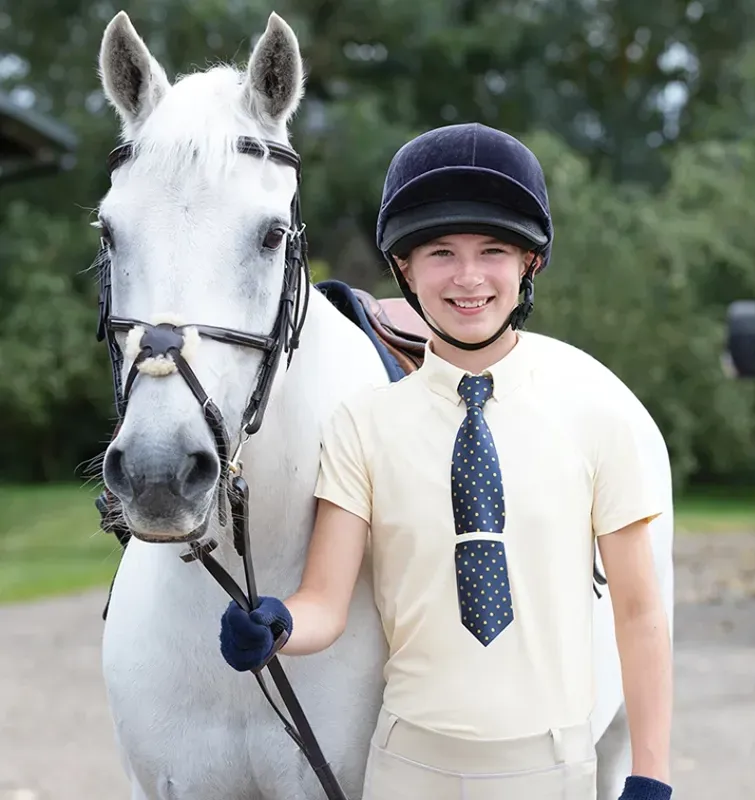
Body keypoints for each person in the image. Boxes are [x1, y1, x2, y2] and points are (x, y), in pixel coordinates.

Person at [218, 122, 673, 800]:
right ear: (404, 268)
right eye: (440, 252)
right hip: (408, 768)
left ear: (530, 263)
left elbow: (638, 611)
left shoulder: (596, 415)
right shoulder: (363, 426)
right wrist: (276, 624)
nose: (468, 277)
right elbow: (325, 603)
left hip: (551, 770)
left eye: (493, 250)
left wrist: (651, 774)